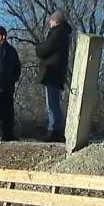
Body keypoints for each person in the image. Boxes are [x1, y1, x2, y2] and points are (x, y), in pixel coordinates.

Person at [35, 11, 72, 143]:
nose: (49, 24)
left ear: (55, 22)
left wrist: (38, 47)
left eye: (50, 21)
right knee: (54, 102)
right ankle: (56, 129)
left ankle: (54, 130)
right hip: (58, 72)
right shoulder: (64, 34)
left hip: (52, 72)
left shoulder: (57, 34)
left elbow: (43, 50)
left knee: (52, 103)